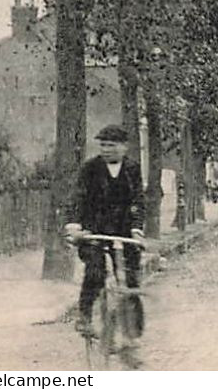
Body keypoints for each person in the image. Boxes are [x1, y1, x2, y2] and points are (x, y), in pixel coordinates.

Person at [63, 124, 146, 343]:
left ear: (124, 147)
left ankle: (133, 335)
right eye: (103, 145)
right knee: (96, 271)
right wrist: (74, 227)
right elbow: (78, 197)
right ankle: (85, 317)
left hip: (124, 231)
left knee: (131, 279)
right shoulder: (90, 168)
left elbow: (138, 201)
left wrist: (137, 231)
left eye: (111, 145)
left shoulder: (132, 169)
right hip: (94, 232)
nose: (106, 150)